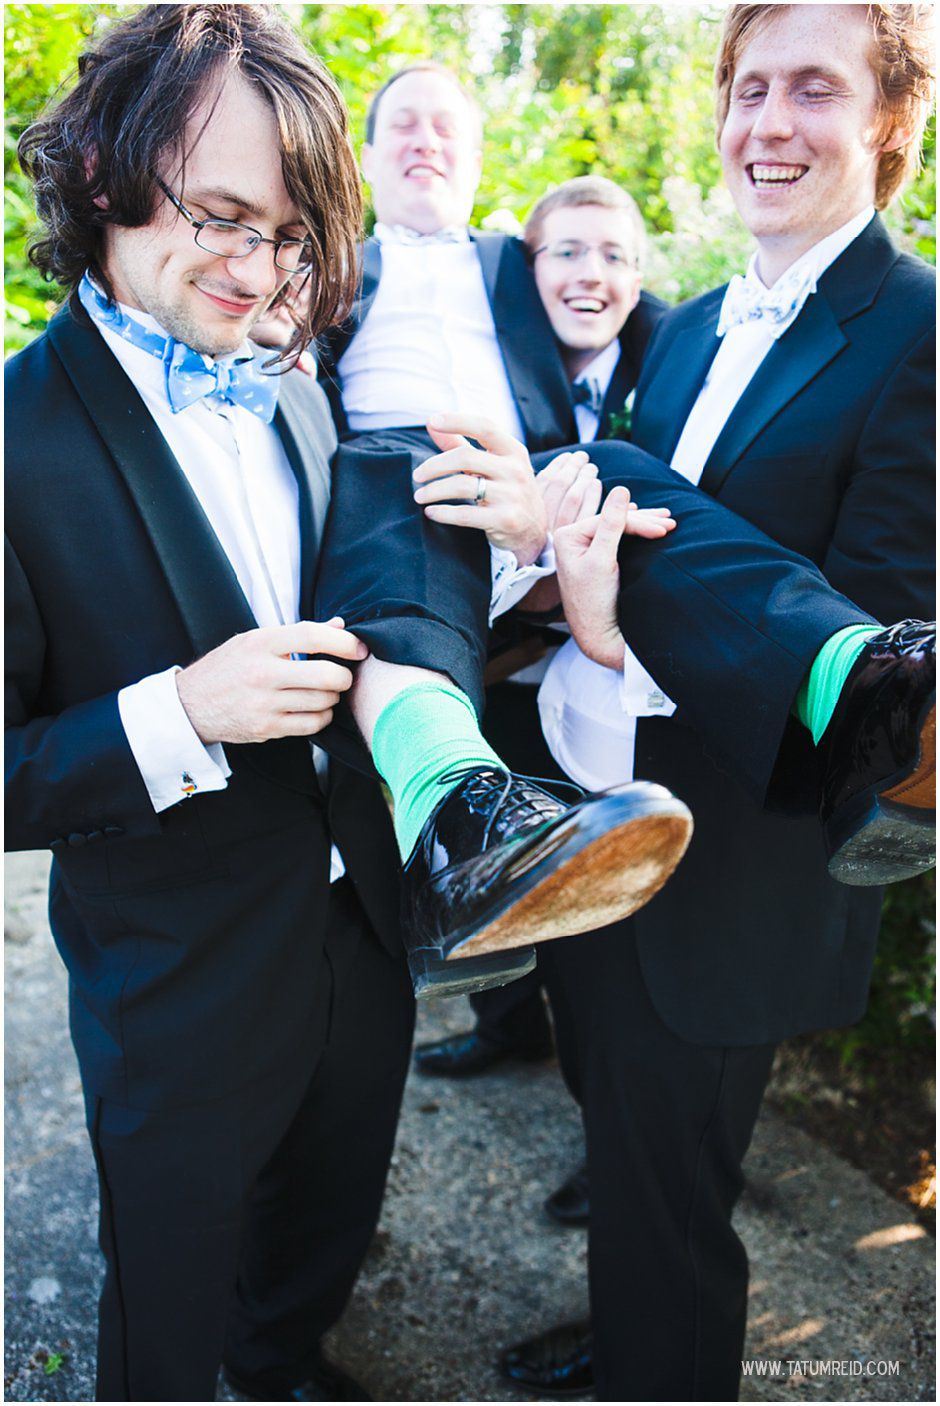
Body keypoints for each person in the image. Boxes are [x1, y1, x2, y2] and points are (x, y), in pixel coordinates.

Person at [3, 6, 689, 1397]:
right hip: (177, 976)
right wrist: (179, 709)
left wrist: (515, 551)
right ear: (96, 178)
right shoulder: (16, 438)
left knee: (323, 1238)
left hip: (366, 927)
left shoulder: (306, 396)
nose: (263, 277)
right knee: (169, 1314)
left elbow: (368, 629)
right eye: (224, 219)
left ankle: (292, 1357)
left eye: (299, 240)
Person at [498, 5, 936, 1400]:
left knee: (682, 1178)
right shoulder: (681, 328)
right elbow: (625, 569)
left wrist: (615, 526)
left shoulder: (920, 328)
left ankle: (663, 1363)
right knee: (623, 1131)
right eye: (748, 88)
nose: (767, 123)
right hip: (609, 802)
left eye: (813, 88)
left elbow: (884, 632)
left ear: (887, 118)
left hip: (740, 854)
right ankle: (633, 1331)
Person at [413, 177, 665, 1232]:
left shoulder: (668, 361)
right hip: (505, 671)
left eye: (611, 255)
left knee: (604, 938)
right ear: (527, 268)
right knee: (506, 867)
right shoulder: (480, 358)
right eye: (565, 253)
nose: (589, 276)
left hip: (611, 684)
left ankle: (617, 1150)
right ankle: (505, 1018)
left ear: (640, 275)